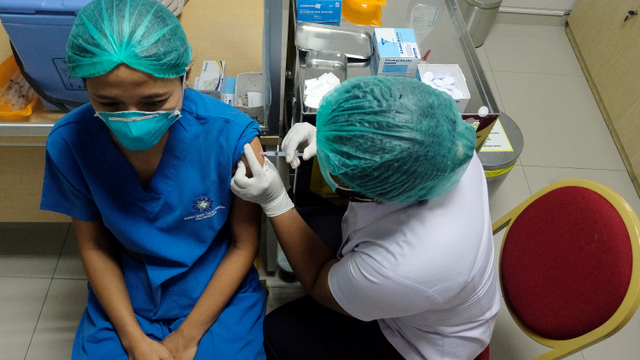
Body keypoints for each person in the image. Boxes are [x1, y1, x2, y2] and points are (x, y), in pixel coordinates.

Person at [40, 0, 266, 359]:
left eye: (153, 102)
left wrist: (188, 336)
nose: (133, 118)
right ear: (84, 85)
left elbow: (243, 245)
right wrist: (132, 340)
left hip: (213, 283)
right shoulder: (71, 142)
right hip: (126, 288)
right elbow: (95, 246)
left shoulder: (230, 137)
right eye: (109, 104)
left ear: (185, 74)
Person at [231, 76, 501, 360]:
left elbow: (318, 282)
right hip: (432, 292)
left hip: (419, 341)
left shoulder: (400, 266)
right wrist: (328, 132)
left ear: (380, 194)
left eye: (338, 165)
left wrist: (275, 201)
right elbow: (383, 132)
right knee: (309, 220)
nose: (329, 160)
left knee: (278, 330)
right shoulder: (441, 144)